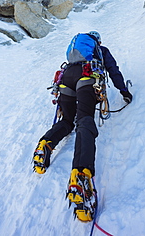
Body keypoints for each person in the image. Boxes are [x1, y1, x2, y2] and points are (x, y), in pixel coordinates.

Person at [33, 31, 132, 221]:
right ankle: (81, 174)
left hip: (67, 77)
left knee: (67, 121)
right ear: (98, 41)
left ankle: (45, 144)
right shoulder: (101, 51)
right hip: (86, 76)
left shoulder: (74, 54)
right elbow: (113, 70)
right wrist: (124, 91)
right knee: (85, 120)